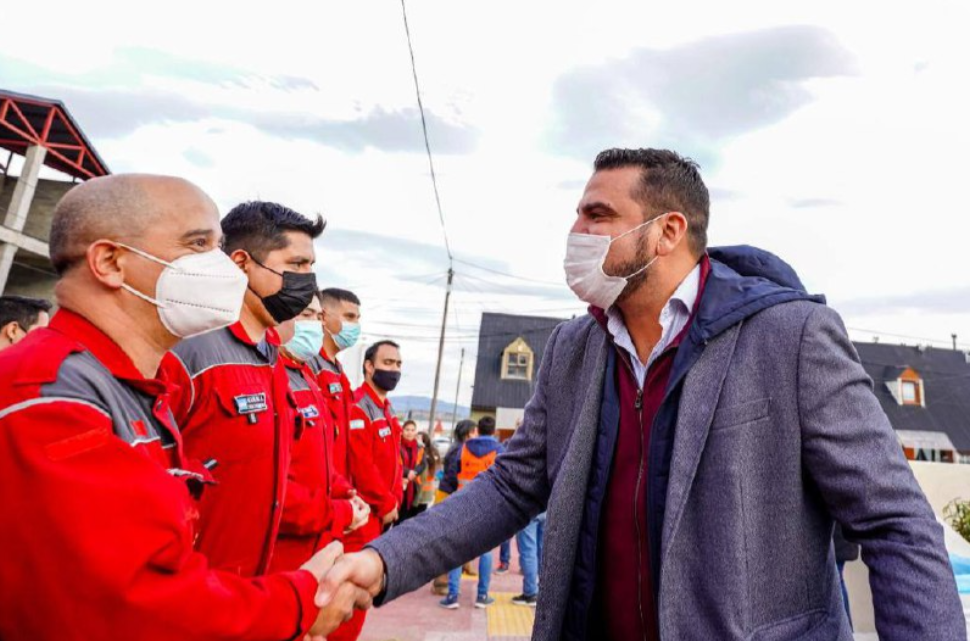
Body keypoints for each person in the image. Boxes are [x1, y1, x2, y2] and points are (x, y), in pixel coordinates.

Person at [317, 148, 965, 641]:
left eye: (598, 215)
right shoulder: (575, 348)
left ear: (667, 230)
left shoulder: (789, 336)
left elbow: (893, 521)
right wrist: (383, 559)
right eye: (578, 213)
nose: (576, 230)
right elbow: (513, 486)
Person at [0, 174, 366, 640]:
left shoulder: (133, 384)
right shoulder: (49, 394)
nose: (223, 266)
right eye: (198, 244)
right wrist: (296, 604)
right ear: (110, 262)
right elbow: (130, 604)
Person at [161, 200, 324, 578]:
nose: (308, 280)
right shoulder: (190, 349)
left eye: (311, 266)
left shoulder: (271, 355)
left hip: (252, 586)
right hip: (193, 589)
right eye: (297, 264)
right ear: (240, 262)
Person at [269, 295, 371, 573]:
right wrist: (339, 510)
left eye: (316, 317)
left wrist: (344, 491)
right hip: (287, 539)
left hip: (322, 521)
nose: (315, 324)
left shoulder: (308, 376)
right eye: (306, 315)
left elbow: (327, 453)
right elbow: (272, 483)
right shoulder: (275, 374)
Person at [328, 339, 404, 641]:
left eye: (398, 364)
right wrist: (386, 503)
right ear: (369, 367)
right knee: (349, 599)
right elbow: (361, 465)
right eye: (388, 363)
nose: (394, 370)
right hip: (363, 518)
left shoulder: (386, 408)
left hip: (381, 517)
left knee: (362, 600)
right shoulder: (359, 406)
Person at [439, 416, 504, 610]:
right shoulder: (499, 450)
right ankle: (482, 595)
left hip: (463, 502)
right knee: (486, 551)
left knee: (457, 549)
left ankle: (452, 595)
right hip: (488, 505)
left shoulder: (463, 449)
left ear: (478, 430)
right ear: (493, 431)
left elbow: (453, 475)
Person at [308, 287, 362, 485]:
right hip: (318, 484)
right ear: (323, 317)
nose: (355, 326)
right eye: (349, 317)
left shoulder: (338, 371)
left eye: (357, 319)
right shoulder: (310, 365)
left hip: (337, 484)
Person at [511, 513, 546, 607]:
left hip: (529, 511)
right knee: (543, 550)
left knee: (528, 551)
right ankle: (544, 590)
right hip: (547, 509)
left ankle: (531, 593)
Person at [399, 419, 427, 521]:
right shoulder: (396, 445)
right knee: (398, 515)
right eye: (407, 429)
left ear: (415, 432)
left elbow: (423, 463)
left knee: (408, 516)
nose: (410, 432)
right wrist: (407, 473)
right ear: (402, 430)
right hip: (400, 483)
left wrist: (413, 473)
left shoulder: (419, 447)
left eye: (412, 430)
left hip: (413, 484)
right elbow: (395, 464)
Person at [413, 431, 440, 515]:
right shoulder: (432, 452)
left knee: (417, 513)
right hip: (423, 490)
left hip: (422, 490)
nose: (416, 440)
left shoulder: (424, 452)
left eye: (418, 438)